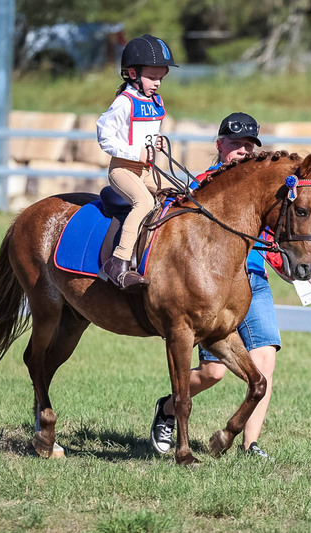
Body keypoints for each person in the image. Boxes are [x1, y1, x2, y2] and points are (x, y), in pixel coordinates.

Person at [150, 112, 282, 459]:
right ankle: (167, 408)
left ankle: (250, 445)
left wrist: (295, 265)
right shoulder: (202, 186)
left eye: (249, 145)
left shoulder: (263, 191)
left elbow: (276, 233)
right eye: (236, 143)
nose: (243, 151)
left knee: (264, 360)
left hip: (253, 279)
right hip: (210, 286)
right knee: (213, 373)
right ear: (220, 144)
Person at [96, 34, 177, 291]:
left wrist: (157, 142)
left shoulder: (156, 101)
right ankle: (118, 262)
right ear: (133, 73)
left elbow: (146, 133)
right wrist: (136, 153)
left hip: (147, 170)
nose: (158, 83)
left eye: (161, 78)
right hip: (123, 169)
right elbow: (104, 137)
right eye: (153, 77)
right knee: (144, 203)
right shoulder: (124, 102)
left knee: (178, 195)